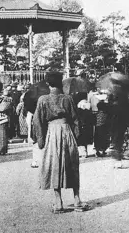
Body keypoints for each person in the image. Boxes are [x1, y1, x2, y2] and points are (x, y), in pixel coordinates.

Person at [32, 72, 89, 213]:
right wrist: (76, 137)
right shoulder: (68, 98)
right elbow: (75, 119)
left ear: (47, 84)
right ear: (61, 83)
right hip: (67, 131)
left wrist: (40, 140)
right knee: (72, 164)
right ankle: (77, 200)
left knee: (54, 165)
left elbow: (37, 121)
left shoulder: (43, 99)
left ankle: (58, 203)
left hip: (52, 133)